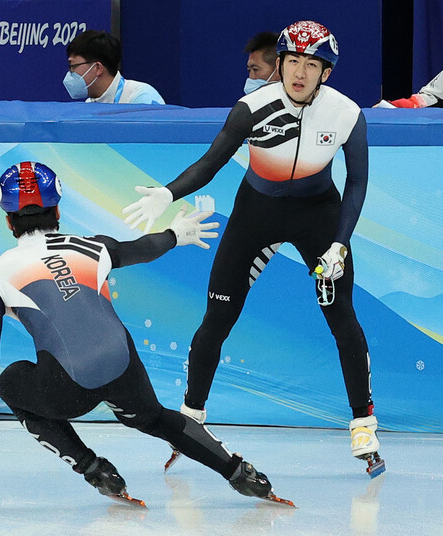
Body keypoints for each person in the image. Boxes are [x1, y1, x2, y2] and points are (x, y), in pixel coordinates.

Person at [122, 21, 384, 475]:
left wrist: (340, 244)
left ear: (327, 72)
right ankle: (191, 420)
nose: (300, 73)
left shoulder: (345, 114)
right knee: (217, 317)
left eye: (312, 64)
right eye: (292, 61)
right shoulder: (252, 107)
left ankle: (364, 424)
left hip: (318, 217)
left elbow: (357, 182)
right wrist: (168, 193)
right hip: (255, 214)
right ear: (279, 63)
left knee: (342, 316)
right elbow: (210, 162)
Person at [0, 161, 288, 505]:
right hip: (122, 364)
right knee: (155, 418)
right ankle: (241, 473)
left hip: (65, 388)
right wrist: (175, 235)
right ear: (57, 210)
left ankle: (95, 470)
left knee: (10, 382)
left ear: (7, 220)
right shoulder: (91, 246)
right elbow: (142, 248)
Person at [63, 30, 165, 104]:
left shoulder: (141, 97)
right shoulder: (88, 104)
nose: (70, 72)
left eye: (73, 66)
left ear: (97, 68)